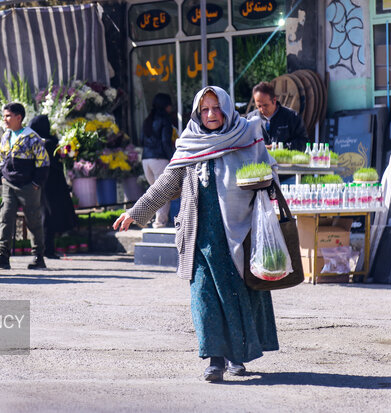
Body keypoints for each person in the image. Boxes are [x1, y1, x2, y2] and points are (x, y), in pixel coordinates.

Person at [114, 86, 279, 382]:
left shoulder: (246, 137)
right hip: (199, 236)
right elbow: (166, 184)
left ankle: (236, 356)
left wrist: (263, 186)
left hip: (238, 234)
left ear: (227, 109)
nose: (211, 114)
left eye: (216, 108)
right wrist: (135, 213)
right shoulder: (190, 143)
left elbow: (269, 175)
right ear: (196, 113)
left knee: (236, 296)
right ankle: (215, 360)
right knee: (204, 297)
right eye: (205, 110)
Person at [0, 103, 50, 270]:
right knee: (5, 217)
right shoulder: (6, 136)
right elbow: (2, 158)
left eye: (8, 116)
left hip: (28, 185)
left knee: (33, 220)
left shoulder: (32, 138)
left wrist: (36, 183)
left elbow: (43, 163)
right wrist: (2, 175)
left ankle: (38, 256)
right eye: (4, 116)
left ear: (19, 117)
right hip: (9, 183)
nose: (5, 119)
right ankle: (3, 255)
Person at [29, 114, 77, 259]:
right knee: (49, 217)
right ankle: (47, 249)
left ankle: (45, 249)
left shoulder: (35, 142)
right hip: (53, 185)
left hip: (41, 183)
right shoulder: (50, 142)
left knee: (45, 216)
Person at [141, 93, 176, 228]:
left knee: (154, 191)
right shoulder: (165, 120)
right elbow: (165, 142)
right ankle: (159, 222)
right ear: (166, 106)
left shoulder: (147, 120)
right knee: (163, 192)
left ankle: (145, 218)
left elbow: (141, 140)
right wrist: (173, 159)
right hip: (159, 158)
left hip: (146, 159)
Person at [247, 81, 308, 151]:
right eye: (259, 106)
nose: (262, 109)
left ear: (274, 100)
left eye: (265, 105)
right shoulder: (250, 119)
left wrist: (282, 147)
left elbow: (303, 142)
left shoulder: (292, 117)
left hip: (285, 160)